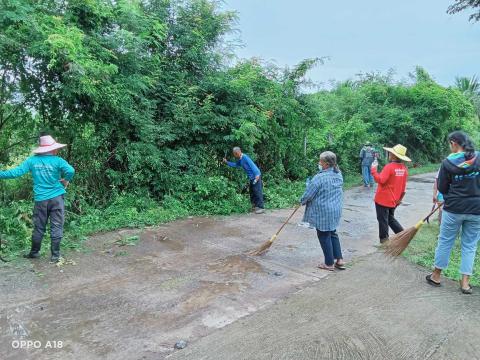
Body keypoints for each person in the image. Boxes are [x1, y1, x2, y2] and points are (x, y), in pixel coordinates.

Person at [0, 134, 75, 262]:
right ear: (52, 149)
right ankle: (55, 256)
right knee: (56, 226)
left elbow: (15, 173)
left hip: (41, 200)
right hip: (57, 198)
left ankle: (34, 253)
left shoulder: (32, 161)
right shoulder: (58, 161)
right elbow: (71, 171)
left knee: (39, 227)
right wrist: (65, 181)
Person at [426, 131, 480, 294]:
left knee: (445, 241)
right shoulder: (478, 158)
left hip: (454, 209)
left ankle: (436, 276)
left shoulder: (448, 162)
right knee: (469, 245)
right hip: (476, 209)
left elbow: (442, 187)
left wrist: (451, 196)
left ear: (454, 143)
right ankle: (465, 283)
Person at [300, 151, 345, 271]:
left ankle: (329, 263)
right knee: (332, 232)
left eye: (320, 161)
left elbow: (308, 195)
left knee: (324, 235)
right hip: (335, 209)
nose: (319, 163)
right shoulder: (338, 174)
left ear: (326, 163)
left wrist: (302, 201)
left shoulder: (319, 178)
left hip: (323, 212)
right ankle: (339, 260)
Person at [371, 144, 411, 244]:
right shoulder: (404, 168)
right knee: (390, 218)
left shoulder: (389, 167)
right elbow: (403, 186)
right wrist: (399, 199)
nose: (389, 154)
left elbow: (381, 180)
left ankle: (384, 240)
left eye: (391, 153)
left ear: (394, 156)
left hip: (383, 199)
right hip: (394, 200)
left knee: (383, 220)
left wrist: (373, 170)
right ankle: (402, 234)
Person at [223, 147, 265, 214]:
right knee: (252, 192)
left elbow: (252, 165)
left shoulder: (245, 157)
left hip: (256, 177)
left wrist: (257, 174)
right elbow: (236, 165)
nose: (234, 155)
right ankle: (255, 207)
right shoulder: (240, 159)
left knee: (257, 192)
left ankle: (261, 208)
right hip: (251, 178)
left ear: (237, 153)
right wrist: (227, 162)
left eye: (234, 154)